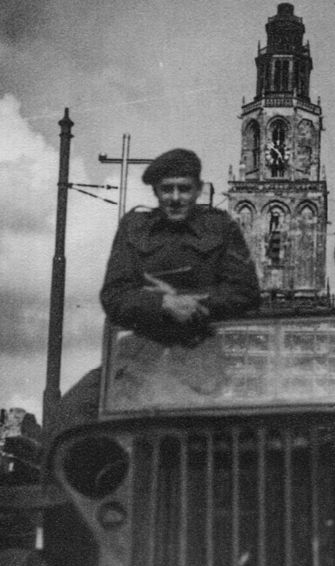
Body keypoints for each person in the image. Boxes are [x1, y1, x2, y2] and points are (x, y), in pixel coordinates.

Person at [56, 148, 260, 427]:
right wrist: (162, 304)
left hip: (201, 354)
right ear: (155, 191)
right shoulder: (135, 227)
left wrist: (185, 302)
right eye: (167, 189)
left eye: (184, 189)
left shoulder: (221, 227)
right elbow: (114, 295)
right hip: (139, 356)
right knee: (69, 414)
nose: (175, 198)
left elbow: (245, 292)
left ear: (198, 190)